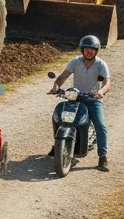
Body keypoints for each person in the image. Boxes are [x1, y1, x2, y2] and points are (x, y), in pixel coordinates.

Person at [48, 34, 112, 170]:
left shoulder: (101, 64)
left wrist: (101, 92)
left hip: (93, 99)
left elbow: (107, 83)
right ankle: (58, 144)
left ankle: (103, 157)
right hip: (75, 97)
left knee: (101, 126)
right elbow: (63, 77)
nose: (89, 52)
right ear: (82, 50)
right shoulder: (75, 62)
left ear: (96, 51)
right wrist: (56, 87)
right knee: (60, 118)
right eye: (87, 49)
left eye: (92, 49)